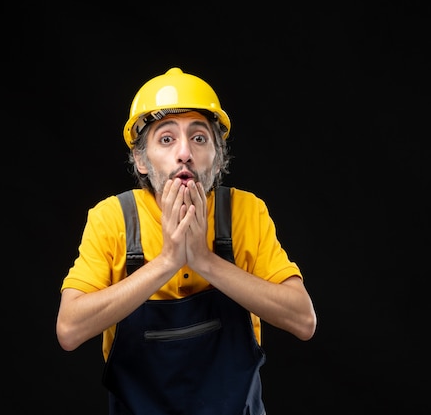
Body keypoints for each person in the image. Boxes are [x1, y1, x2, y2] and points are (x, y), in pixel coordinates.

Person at [56, 67, 317, 414]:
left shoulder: (245, 212)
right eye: (166, 139)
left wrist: (203, 260)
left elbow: (303, 320)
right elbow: (69, 329)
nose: (185, 153)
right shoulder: (112, 218)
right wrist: (167, 261)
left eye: (199, 138)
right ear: (141, 159)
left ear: (218, 155)